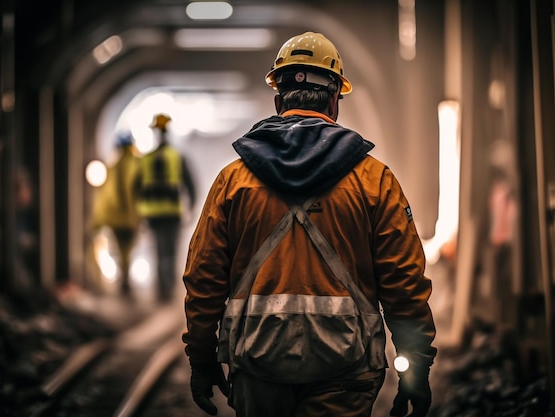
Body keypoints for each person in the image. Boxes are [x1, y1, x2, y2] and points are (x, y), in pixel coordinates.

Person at [182, 32, 437, 417]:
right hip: (347, 369)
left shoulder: (233, 182)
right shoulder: (374, 181)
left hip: (258, 365)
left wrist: (202, 359)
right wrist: (414, 364)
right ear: (335, 100)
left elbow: (204, 278)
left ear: (278, 99)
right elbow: (403, 280)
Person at [137, 113, 196, 302]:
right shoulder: (177, 157)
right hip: (172, 213)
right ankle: (168, 289)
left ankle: (161, 290)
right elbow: (189, 184)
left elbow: (137, 188)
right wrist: (191, 207)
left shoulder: (146, 159)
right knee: (169, 252)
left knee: (158, 251)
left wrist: (138, 212)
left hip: (152, 214)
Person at [90, 132, 142, 296]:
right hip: (132, 217)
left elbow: (104, 196)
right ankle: (125, 279)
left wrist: (98, 220)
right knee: (128, 249)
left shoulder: (111, 166)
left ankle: (124, 278)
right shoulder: (138, 164)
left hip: (116, 218)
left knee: (121, 249)